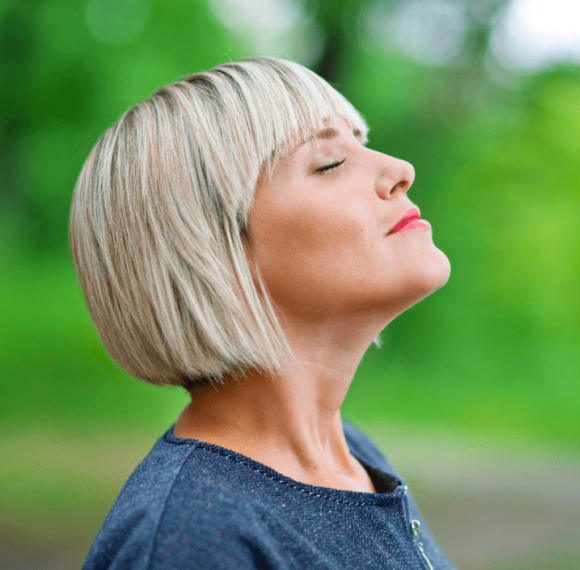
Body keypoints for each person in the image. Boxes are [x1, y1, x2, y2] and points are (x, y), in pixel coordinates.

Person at [71, 57, 453, 569]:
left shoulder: (354, 459)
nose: (399, 170)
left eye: (360, 143)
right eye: (329, 163)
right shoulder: (194, 541)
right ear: (210, 251)